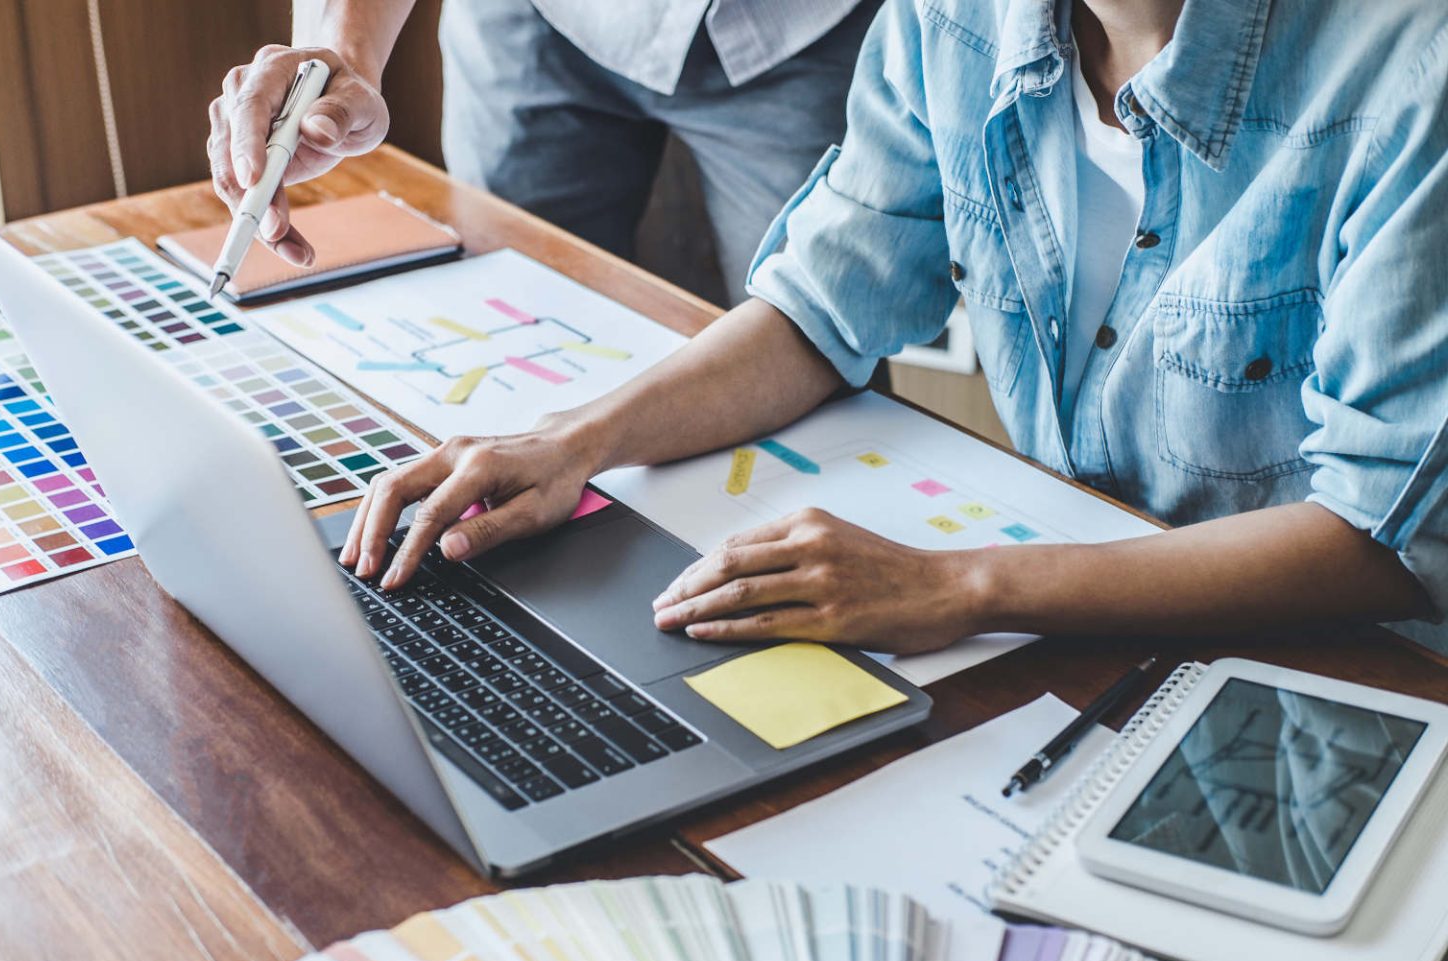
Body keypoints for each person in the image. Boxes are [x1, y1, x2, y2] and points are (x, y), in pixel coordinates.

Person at [212, 0, 1447, 657]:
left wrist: (959, 586)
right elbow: (820, 303)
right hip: (1066, 624)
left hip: (1328, 669)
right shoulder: (952, 17)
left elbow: (1381, 543)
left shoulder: (1409, 74)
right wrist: (573, 441)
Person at [208, 0, 883, 307]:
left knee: (812, 346)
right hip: (535, 17)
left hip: (802, 27)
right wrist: (344, 55)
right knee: (512, 319)